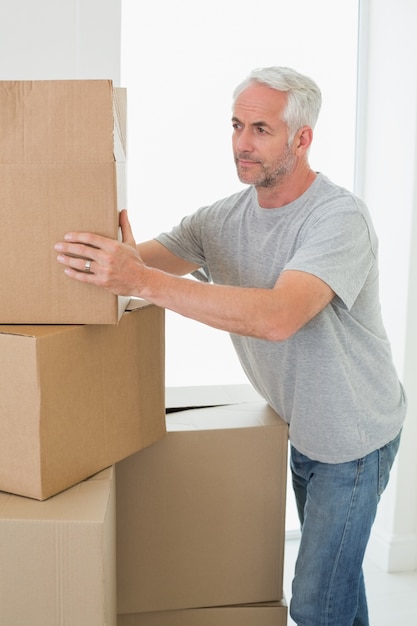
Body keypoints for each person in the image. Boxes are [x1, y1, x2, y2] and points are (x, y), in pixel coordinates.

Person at [55, 66, 406, 625]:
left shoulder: (338, 218)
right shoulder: (222, 220)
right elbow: (136, 262)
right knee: (337, 586)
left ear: (301, 138)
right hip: (304, 427)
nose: (243, 143)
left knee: (316, 600)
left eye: (261, 129)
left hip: (354, 434)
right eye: (237, 125)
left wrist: (140, 280)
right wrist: (93, 254)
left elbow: (278, 317)